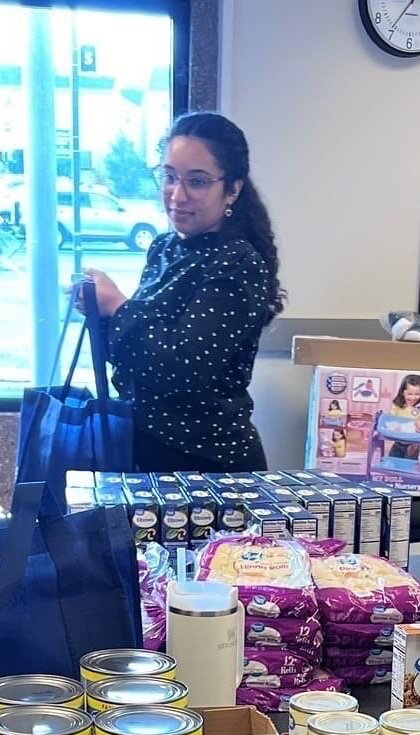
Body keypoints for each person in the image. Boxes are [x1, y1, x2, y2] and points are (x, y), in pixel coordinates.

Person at [77, 112, 284, 473]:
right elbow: (137, 358)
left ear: (233, 189)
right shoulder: (164, 248)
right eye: (169, 176)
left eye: (197, 182)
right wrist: (99, 311)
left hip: (209, 466)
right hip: (144, 450)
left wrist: (118, 307)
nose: (177, 194)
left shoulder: (236, 261)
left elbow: (183, 367)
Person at [387, 374, 420, 460]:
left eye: (417, 394)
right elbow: (392, 420)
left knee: (410, 464)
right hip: (398, 441)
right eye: (409, 394)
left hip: (413, 444)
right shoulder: (397, 406)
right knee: (392, 462)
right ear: (403, 392)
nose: (413, 397)